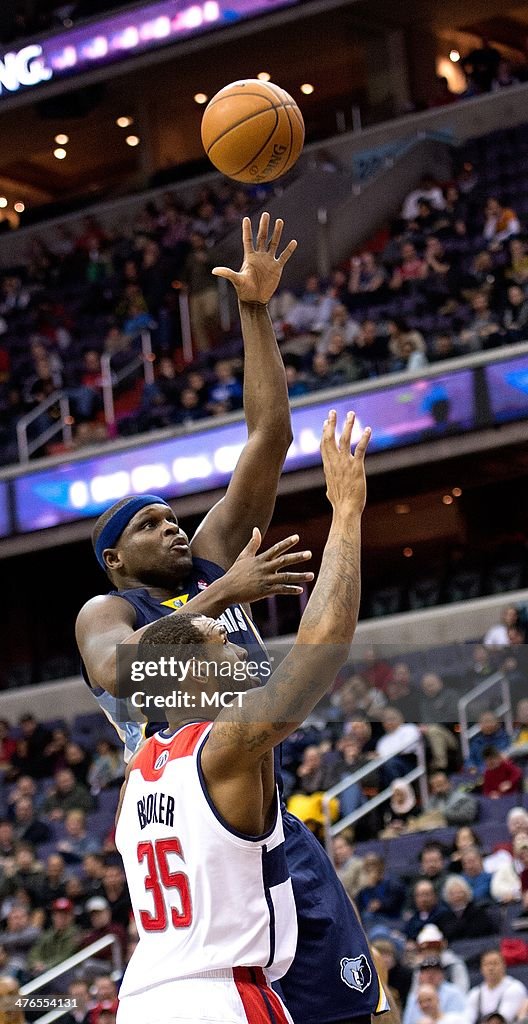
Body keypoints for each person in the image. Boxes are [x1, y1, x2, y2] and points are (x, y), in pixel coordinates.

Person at [76, 216, 387, 1024]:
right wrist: (224, 594)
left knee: (359, 1000)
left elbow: (269, 435)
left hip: (257, 795)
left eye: (173, 516)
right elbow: (122, 670)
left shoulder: (210, 558)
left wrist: (254, 310)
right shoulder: (110, 609)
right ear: (115, 559)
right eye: (148, 525)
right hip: (188, 804)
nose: (173, 526)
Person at [114, 410, 388, 1023]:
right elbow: (322, 649)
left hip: (144, 996)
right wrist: (345, 512)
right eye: (220, 641)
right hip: (222, 996)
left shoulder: (138, 771)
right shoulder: (226, 751)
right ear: (189, 678)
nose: (237, 645)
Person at [466, 949, 527, 1024]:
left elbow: (502, 1020)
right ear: (481, 968)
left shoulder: (515, 988)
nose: (491, 968)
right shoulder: (475, 993)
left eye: (495, 963)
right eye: (487, 964)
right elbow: (467, 1018)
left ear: (504, 965)